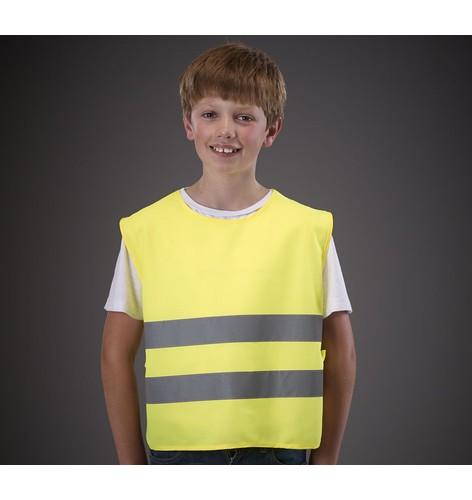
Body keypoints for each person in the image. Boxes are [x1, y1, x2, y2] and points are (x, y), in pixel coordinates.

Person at [101, 42, 356, 465]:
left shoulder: (308, 230)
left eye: (244, 117)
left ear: (271, 130)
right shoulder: (145, 230)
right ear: (189, 124)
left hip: (280, 453)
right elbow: (114, 354)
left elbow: (342, 352)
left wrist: (325, 463)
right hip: (179, 456)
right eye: (210, 114)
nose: (226, 130)